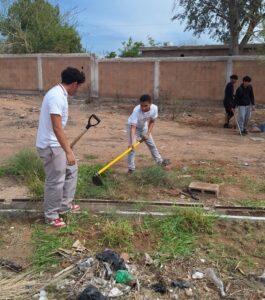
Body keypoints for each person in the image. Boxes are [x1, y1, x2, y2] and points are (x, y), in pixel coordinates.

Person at [36, 67, 86, 227]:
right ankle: (51, 215)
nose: (77, 90)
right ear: (74, 83)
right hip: (51, 145)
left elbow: (58, 128)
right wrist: (68, 151)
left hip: (55, 143)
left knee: (72, 170)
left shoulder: (59, 94)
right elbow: (57, 127)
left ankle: (64, 206)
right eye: (78, 86)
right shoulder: (56, 96)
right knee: (55, 181)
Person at [127, 94, 170, 173]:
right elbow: (133, 127)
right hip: (133, 128)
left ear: (150, 103)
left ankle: (159, 162)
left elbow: (152, 121)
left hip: (144, 127)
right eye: (142, 106)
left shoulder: (154, 108)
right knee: (131, 148)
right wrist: (132, 142)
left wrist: (147, 133)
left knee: (152, 145)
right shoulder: (136, 110)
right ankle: (131, 169)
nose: (143, 108)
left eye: (146, 106)